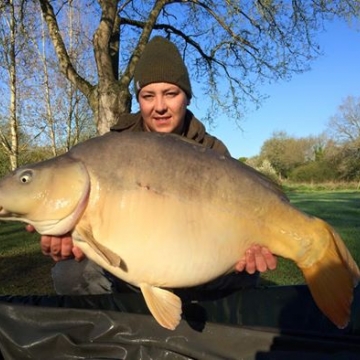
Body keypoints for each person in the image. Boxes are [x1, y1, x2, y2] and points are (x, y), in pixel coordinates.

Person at [27, 36, 276, 296]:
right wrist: (67, 235)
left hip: (195, 263)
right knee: (71, 273)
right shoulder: (111, 149)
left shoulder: (212, 151)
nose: (159, 107)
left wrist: (245, 254)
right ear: (139, 99)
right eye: (148, 96)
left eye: (171, 94)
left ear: (186, 98)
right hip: (126, 265)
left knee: (246, 273)